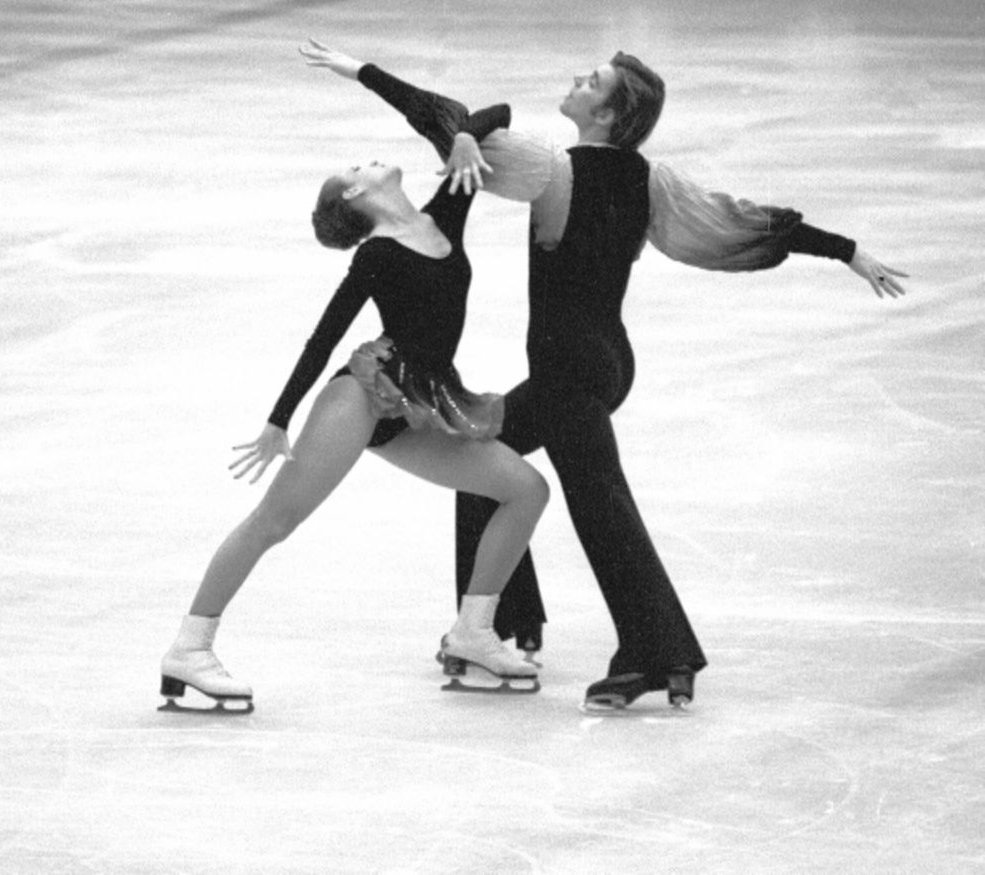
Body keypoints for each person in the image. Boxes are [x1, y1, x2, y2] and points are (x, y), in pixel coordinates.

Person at [300, 39, 908, 710]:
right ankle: (501, 623)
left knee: (601, 506)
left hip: (566, 369)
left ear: (608, 115)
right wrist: (844, 249)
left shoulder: (552, 169)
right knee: (479, 458)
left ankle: (657, 653)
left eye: (591, 81)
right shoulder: (650, 181)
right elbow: (736, 222)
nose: (576, 79)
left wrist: (368, 76)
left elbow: (444, 118)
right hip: (606, 362)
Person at [159, 85, 551, 712]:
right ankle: (190, 648)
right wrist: (278, 420)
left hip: (425, 402)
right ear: (353, 196)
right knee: (275, 521)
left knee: (526, 489)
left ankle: (472, 632)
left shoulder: (441, 216)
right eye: (355, 168)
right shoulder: (377, 255)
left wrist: (463, 137)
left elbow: (491, 113)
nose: (367, 161)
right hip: (364, 396)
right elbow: (324, 336)